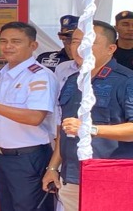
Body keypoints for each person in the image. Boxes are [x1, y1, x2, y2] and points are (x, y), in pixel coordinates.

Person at [41, 21, 133, 211]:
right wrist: (53, 167)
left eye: (89, 42)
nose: (80, 47)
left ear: (111, 48)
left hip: (111, 177)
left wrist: (89, 129)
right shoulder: (72, 81)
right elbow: (64, 129)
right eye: (76, 41)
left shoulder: (126, 81)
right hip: (72, 176)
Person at [0, 22, 57, 211]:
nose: (8, 46)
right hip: (3, 157)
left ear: (33, 45)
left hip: (28, 157)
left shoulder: (39, 76)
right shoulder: (3, 73)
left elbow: (35, 117)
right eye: (3, 41)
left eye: (16, 41)